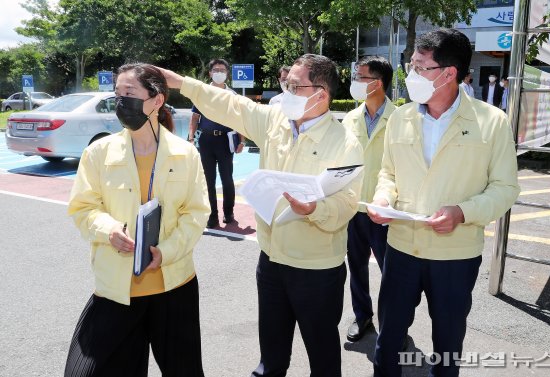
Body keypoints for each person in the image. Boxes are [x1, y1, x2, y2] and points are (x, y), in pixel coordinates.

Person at [158, 53, 364, 377]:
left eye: (295, 86)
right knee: (271, 355)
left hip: (316, 268)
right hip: (271, 261)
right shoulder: (275, 121)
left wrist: (316, 208)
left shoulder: (346, 141)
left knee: (322, 357)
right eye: (287, 84)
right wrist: (182, 83)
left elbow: (349, 201)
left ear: (321, 95)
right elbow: (231, 106)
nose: (286, 91)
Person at [368, 29, 520, 377]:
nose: (411, 74)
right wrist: (382, 197)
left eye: (420, 67)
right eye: (411, 65)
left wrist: (463, 212)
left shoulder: (491, 122)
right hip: (403, 248)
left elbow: (505, 188)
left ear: (449, 74)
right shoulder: (401, 118)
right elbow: (388, 173)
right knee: (389, 337)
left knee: (448, 343)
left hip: (455, 254)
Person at [64, 63, 210, 377]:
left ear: (157, 100)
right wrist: (108, 229)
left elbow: (196, 213)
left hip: (174, 287)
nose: (120, 101)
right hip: (117, 288)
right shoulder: (99, 153)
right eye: (117, 93)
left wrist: (166, 252)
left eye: (129, 93)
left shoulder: (186, 154)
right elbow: (83, 208)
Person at [342, 55, 395, 342]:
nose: (355, 82)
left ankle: (393, 324)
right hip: (354, 208)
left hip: (386, 211)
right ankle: (362, 316)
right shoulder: (350, 118)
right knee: (357, 268)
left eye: (361, 77)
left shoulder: (400, 119)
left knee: (392, 273)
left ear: (378, 83)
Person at [187, 58, 245, 229]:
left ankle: (228, 212)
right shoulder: (202, 93)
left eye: (222, 70)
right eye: (216, 70)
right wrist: (191, 139)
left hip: (225, 140)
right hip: (206, 140)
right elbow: (195, 118)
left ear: (227, 74)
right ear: (210, 72)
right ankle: (212, 216)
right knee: (208, 180)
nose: (219, 73)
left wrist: (242, 140)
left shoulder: (233, 95)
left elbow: (239, 119)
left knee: (227, 179)